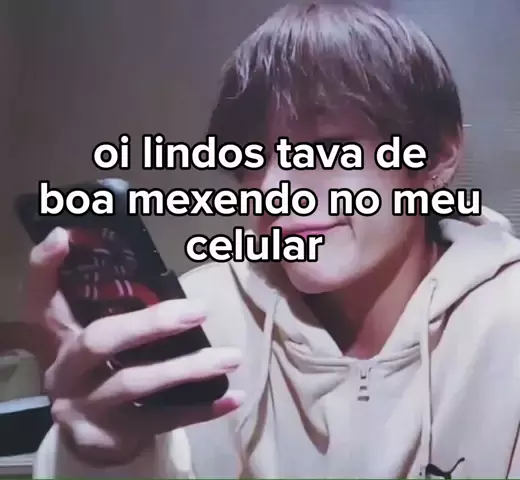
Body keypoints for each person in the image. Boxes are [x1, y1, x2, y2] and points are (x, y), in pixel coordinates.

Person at [25, 3, 520, 479]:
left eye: (328, 148)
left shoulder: (505, 326)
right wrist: (100, 460)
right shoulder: (193, 319)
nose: (276, 188)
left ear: (437, 156)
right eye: (252, 157)